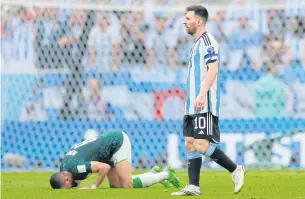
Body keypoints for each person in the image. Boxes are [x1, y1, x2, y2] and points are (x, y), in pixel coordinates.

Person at [171, 5, 246, 196]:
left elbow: (213, 69)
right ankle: (194, 186)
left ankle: (235, 169)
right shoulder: (196, 43)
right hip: (192, 103)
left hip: (203, 101)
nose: (184, 22)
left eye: (188, 19)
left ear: (199, 21)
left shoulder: (207, 40)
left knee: (202, 145)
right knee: (189, 142)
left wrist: (202, 93)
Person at [50, 130, 180, 189]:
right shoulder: (64, 168)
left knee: (127, 185)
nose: (69, 189)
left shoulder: (74, 167)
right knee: (116, 186)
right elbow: (76, 182)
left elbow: (104, 168)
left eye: (66, 188)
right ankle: (152, 175)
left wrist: (94, 187)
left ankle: (165, 174)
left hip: (116, 143)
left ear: (66, 180)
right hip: (104, 153)